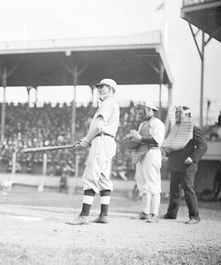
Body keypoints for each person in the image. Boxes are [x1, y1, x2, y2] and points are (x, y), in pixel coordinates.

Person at [67, 78, 120, 225]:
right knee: (103, 178)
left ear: (110, 89)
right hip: (107, 141)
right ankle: (104, 215)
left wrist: (86, 140)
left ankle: (84, 216)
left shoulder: (108, 102)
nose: (99, 89)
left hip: (102, 140)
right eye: (99, 87)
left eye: (102, 87)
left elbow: (98, 127)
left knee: (91, 175)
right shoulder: (110, 103)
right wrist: (87, 139)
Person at [161, 106, 208, 224]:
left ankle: (194, 216)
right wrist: (168, 151)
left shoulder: (194, 129)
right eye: (177, 114)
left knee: (188, 190)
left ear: (188, 115)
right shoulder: (176, 129)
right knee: (174, 190)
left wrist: (192, 158)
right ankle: (171, 214)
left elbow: (203, 145)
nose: (177, 116)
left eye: (180, 114)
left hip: (187, 166)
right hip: (175, 164)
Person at [127, 101, 165, 223]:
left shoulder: (157, 123)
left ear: (151, 110)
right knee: (142, 184)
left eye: (146, 110)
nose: (143, 112)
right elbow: (139, 140)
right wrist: (132, 139)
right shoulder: (143, 124)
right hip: (141, 153)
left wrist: (140, 138)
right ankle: (145, 212)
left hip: (152, 152)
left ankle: (155, 214)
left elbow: (157, 140)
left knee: (153, 184)